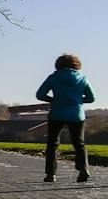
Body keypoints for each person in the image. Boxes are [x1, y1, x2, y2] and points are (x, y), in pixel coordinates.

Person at [36, 53, 94, 182]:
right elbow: (91, 98)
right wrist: (77, 100)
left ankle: (51, 174)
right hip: (76, 114)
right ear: (76, 64)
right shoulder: (82, 78)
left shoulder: (53, 77)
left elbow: (40, 95)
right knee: (79, 143)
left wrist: (53, 100)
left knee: (52, 144)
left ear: (58, 65)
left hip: (57, 113)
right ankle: (83, 169)